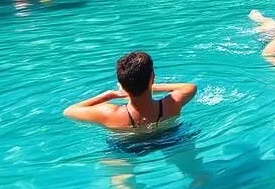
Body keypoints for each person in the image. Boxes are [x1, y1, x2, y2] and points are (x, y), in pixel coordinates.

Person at [62, 51, 197, 131]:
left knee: (118, 169)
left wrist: (107, 95)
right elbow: (190, 87)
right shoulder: (170, 105)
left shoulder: (109, 114)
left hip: (126, 145)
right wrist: (151, 86)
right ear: (153, 78)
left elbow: (69, 111)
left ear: (122, 85)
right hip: (168, 138)